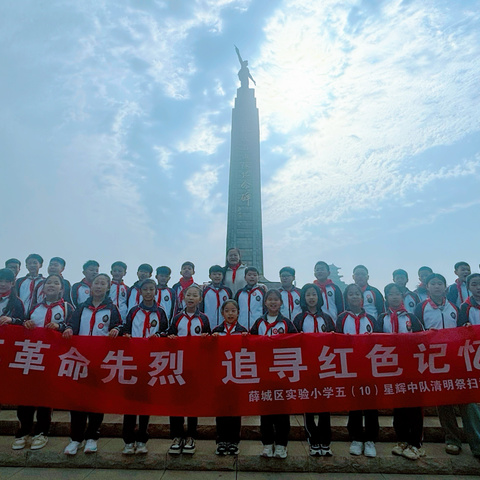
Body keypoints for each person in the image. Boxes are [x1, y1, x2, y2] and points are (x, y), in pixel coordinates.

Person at [414, 273, 480, 458]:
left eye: (439, 283)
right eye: (432, 283)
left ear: (445, 286)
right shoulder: (421, 308)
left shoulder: (456, 308)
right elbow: (417, 334)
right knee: (444, 403)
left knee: (468, 401)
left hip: (456, 360)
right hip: (434, 362)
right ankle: (452, 440)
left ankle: (477, 442)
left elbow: (461, 332)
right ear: (427, 287)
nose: (436, 286)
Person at [12, 274, 74, 451]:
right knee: (26, 396)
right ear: (43, 287)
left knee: (46, 397)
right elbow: (21, 324)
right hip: (32, 357)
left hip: (53, 358)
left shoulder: (67, 308)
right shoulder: (34, 307)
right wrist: (27, 323)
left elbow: (73, 326)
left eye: (56, 283)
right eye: (49, 283)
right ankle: (23, 431)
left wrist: (61, 327)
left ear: (62, 288)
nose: (52, 286)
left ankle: (41, 432)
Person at [62, 273, 122, 456]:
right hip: (79, 358)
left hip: (100, 360)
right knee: (78, 399)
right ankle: (75, 439)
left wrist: (115, 330)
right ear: (91, 285)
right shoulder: (81, 307)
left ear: (107, 287)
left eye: (103, 283)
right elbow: (70, 324)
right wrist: (69, 329)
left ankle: (92, 437)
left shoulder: (112, 309)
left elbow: (120, 325)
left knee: (96, 399)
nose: (99, 286)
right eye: (96, 282)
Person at [377, 283, 425, 460]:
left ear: (402, 297)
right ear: (386, 298)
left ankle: (416, 443)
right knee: (398, 407)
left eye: (398, 294)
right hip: (392, 369)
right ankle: (402, 440)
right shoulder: (382, 318)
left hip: (412, 368)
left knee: (414, 406)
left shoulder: (411, 317)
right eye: (391, 294)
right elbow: (375, 343)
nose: (395, 297)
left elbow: (423, 339)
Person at [121, 279, 168, 455]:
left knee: (145, 402)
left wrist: (159, 336)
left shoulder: (161, 312)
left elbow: (165, 331)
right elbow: (126, 329)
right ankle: (128, 440)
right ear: (140, 292)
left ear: (155, 291)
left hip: (150, 362)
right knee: (130, 402)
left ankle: (142, 439)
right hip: (133, 360)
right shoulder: (134, 311)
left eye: (151, 289)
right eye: (145, 289)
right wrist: (125, 335)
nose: (148, 292)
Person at [250, 289, 297, 459]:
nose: (272, 302)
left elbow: (296, 343)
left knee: (282, 412)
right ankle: (267, 444)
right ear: (265, 303)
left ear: (281, 303)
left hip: (282, 372)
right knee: (266, 411)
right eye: (269, 299)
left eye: (276, 300)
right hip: (263, 373)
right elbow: (250, 343)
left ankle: (282, 445)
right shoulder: (259, 322)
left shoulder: (286, 323)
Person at [337, 283, 379, 458]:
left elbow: (379, 343)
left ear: (362, 298)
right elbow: (337, 343)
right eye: (351, 294)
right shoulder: (341, 319)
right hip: (350, 367)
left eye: (357, 294)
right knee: (354, 404)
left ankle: (370, 439)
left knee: (371, 404)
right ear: (346, 298)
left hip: (369, 367)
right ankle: (355, 438)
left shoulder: (371, 319)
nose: (354, 297)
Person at [167, 284, 211, 455]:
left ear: (200, 299)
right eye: (188, 295)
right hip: (178, 365)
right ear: (183, 298)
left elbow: (208, 342)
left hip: (195, 365)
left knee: (193, 402)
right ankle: (177, 436)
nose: (191, 297)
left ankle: (191, 436)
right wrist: (170, 337)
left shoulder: (204, 319)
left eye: (195, 295)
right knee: (176, 401)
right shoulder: (177, 318)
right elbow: (169, 334)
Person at [293, 283, 335, 457]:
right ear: (303, 298)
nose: (311, 298)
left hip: (325, 366)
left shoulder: (327, 318)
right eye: (308, 295)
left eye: (314, 294)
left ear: (319, 297)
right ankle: (313, 440)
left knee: (325, 405)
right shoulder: (298, 319)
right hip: (306, 366)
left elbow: (335, 342)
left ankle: (325, 441)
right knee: (309, 404)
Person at [212, 299, 247, 455]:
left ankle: (234, 440)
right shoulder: (216, 331)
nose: (230, 313)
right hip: (220, 376)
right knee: (221, 409)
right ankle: (222, 440)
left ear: (238, 313)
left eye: (233, 311)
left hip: (237, 375)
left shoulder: (243, 331)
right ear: (222, 313)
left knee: (235, 409)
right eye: (227, 311)